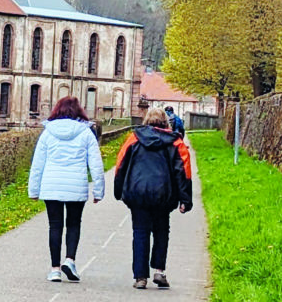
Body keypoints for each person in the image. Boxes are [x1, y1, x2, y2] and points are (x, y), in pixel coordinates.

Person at [27, 93, 106, 281]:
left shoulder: (47, 133)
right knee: (73, 224)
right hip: (76, 183)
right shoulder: (86, 132)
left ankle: (54, 269)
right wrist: (98, 190)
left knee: (54, 226)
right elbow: (95, 163)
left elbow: (38, 163)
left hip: (51, 183)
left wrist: (34, 189)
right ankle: (70, 260)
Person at [114, 104, 191, 289]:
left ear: (146, 120)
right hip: (164, 195)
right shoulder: (175, 142)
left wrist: (118, 191)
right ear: (166, 122)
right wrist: (185, 199)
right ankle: (159, 271)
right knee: (161, 231)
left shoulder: (134, 138)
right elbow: (183, 171)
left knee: (140, 232)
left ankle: (140, 277)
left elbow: (120, 164)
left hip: (138, 193)